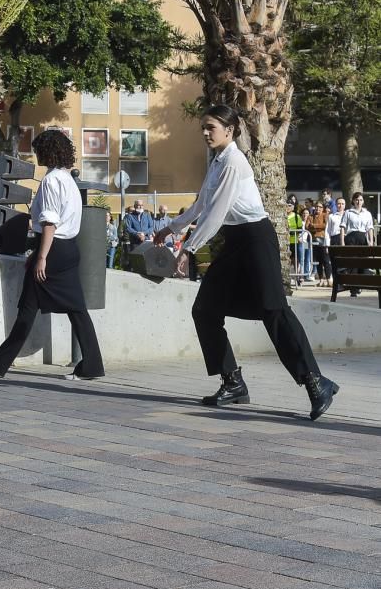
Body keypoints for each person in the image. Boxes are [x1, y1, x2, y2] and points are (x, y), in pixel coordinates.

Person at [154, 104, 337, 420]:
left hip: (256, 239)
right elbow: (202, 205)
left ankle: (315, 383)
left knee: (274, 311)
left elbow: (218, 212)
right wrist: (172, 227)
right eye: (203, 127)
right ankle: (233, 382)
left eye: (211, 127)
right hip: (236, 241)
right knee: (205, 310)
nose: (205, 133)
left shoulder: (235, 163)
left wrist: (188, 249)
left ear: (230, 129)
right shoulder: (217, 161)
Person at [0, 129, 106, 383]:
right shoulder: (68, 180)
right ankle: (92, 365)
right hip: (68, 250)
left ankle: (0, 360)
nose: (36, 155)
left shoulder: (51, 181)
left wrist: (41, 257)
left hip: (53, 250)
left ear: (49, 151)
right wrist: (39, 254)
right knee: (76, 310)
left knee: (28, 308)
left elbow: (49, 223)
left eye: (38, 150)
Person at [339, 192, 375, 297]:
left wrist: (371, 242)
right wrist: (342, 242)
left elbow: (370, 228)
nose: (359, 202)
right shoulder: (348, 212)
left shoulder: (367, 213)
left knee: (361, 264)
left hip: (362, 239)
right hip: (351, 238)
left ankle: (358, 286)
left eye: (361, 200)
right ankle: (353, 289)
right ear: (353, 201)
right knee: (352, 264)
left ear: (363, 201)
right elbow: (342, 227)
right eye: (357, 200)